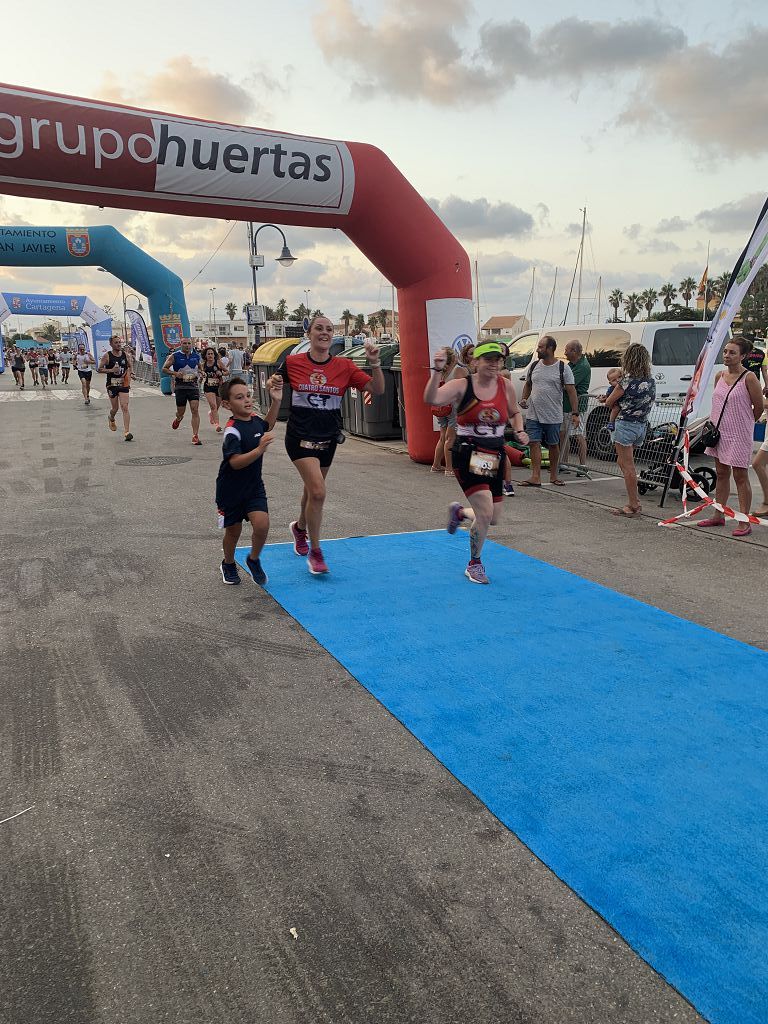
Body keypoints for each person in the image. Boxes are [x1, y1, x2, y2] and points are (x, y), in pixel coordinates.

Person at [284, 314, 384, 574]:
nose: (325, 332)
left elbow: (378, 389)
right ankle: (316, 553)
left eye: (329, 329)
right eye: (319, 328)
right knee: (318, 491)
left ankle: (300, 528)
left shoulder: (345, 366)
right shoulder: (293, 362)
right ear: (309, 334)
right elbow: (274, 388)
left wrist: (374, 364)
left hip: (328, 438)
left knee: (311, 489)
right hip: (299, 437)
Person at [424, 341, 528, 584]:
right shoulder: (462, 385)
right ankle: (475, 563)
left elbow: (514, 412)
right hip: (469, 453)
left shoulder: (506, 385)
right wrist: (436, 371)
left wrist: (519, 429)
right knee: (485, 513)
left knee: (493, 517)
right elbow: (433, 398)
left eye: (497, 360)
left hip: (494, 455)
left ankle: (459, 512)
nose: (493, 364)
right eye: (488, 359)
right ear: (475, 362)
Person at [216, 375, 283, 586]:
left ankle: (253, 559)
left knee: (262, 525)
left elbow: (267, 425)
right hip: (230, 490)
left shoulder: (254, 420)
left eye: (248, 395)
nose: (246, 400)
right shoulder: (231, 430)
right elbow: (235, 462)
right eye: (239, 397)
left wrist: (276, 401)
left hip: (254, 486)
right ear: (227, 404)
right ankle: (228, 563)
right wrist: (259, 449)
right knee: (233, 532)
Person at [697, 336, 764, 537]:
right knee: (721, 472)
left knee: (740, 476)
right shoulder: (720, 376)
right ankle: (719, 513)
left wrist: (744, 424)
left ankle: (744, 520)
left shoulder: (749, 378)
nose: (727, 355)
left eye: (732, 352)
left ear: (743, 356)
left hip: (739, 433)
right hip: (719, 432)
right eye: (725, 351)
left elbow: (758, 407)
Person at [601, 343, 656, 518]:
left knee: (628, 467)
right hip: (641, 425)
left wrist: (609, 400)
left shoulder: (625, 382)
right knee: (623, 462)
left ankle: (634, 504)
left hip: (625, 425)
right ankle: (633, 501)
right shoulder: (650, 381)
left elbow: (609, 403)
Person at [519, 335, 579, 487]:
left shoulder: (562, 368)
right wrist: (524, 398)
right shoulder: (534, 366)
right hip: (534, 414)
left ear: (550, 349)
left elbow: (572, 391)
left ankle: (553, 476)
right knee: (534, 443)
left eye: (541, 347)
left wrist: (575, 413)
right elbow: (528, 384)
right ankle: (535, 476)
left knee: (553, 445)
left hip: (553, 415)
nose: (538, 349)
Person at [163, 338, 203, 446]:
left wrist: (202, 373)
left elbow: (200, 368)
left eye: (189, 343)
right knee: (181, 412)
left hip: (193, 386)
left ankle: (195, 436)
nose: (187, 345)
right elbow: (164, 369)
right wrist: (175, 373)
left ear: (192, 344)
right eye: (184, 343)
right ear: (181, 345)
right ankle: (179, 418)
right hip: (180, 386)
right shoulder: (175, 356)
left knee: (195, 410)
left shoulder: (196, 356)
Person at [559, 340, 592, 470]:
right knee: (563, 434)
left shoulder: (583, 366)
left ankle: (583, 465)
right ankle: (564, 462)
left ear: (574, 351)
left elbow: (568, 384)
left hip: (576, 406)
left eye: (566, 350)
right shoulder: (572, 364)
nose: (564, 352)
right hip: (565, 405)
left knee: (579, 435)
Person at [429, 346, 458, 476]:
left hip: (440, 407)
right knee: (450, 438)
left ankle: (436, 465)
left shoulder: (438, 371)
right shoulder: (454, 372)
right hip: (452, 407)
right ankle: (449, 468)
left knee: (442, 437)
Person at [98, 335, 134, 441]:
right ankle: (111, 418)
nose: (118, 344)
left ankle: (127, 432)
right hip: (112, 385)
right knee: (115, 408)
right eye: (116, 342)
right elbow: (99, 369)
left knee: (125, 407)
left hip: (123, 384)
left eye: (119, 342)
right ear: (111, 344)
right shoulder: (107, 356)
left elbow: (129, 366)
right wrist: (111, 370)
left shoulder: (125, 355)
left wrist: (131, 373)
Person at [201, 347, 224, 432]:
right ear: (205, 356)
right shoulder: (203, 364)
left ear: (214, 355)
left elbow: (227, 372)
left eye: (212, 354)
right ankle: (217, 425)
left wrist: (221, 373)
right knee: (213, 406)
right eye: (208, 354)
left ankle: (211, 414)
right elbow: (200, 373)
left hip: (218, 387)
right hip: (208, 386)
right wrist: (201, 375)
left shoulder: (218, 363)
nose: (210, 355)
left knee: (216, 407)